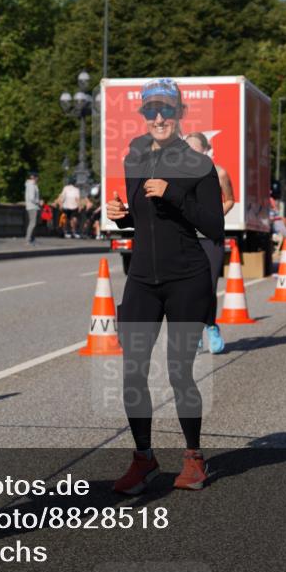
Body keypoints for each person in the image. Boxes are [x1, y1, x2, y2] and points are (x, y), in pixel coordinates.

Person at [106, 78, 224, 495]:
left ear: (179, 114)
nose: (158, 118)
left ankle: (194, 458)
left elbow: (213, 226)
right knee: (133, 373)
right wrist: (121, 215)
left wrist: (174, 194)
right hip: (142, 277)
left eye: (166, 111)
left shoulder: (197, 164)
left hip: (186, 278)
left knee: (178, 371)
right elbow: (142, 218)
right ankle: (144, 459)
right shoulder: (134, 155)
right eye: (150, 111)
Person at [185, 131, 235, 354]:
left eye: (196, 150)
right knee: (188, 287)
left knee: (208, 285)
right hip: (186, 237)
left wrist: (215, 215)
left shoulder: (219, 172)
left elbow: (231, 200)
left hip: (210, 236)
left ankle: (211, 326)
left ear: (206, 150)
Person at [24, 171, 41, 245]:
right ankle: (28, 239)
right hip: (32, 206)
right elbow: (32, 198)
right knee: (32, 223)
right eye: (36, 177)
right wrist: (39, 202)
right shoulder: (31, 185)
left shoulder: (32, 184)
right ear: (33, 177)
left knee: (33, 223)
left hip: (33, 206)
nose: (38, 178)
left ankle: (32, 239)